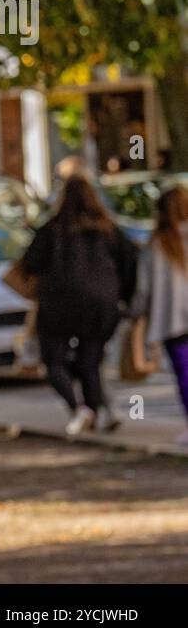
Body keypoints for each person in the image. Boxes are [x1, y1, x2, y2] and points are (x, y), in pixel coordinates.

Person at [19, 174, 138, 434]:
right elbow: (130, 266)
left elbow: (29, 265)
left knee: (54, 360)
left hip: (58, 305)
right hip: (102, 306)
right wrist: (125, 301)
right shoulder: (109, 230)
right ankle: (94, 412)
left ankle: (80, 409)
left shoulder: (52, 230)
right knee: (90, 361)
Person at [130, 186, 188, 444]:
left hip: (172, 320)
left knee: (184, 373)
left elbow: (144, 288)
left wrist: (136, 314)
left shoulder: (157, 243)